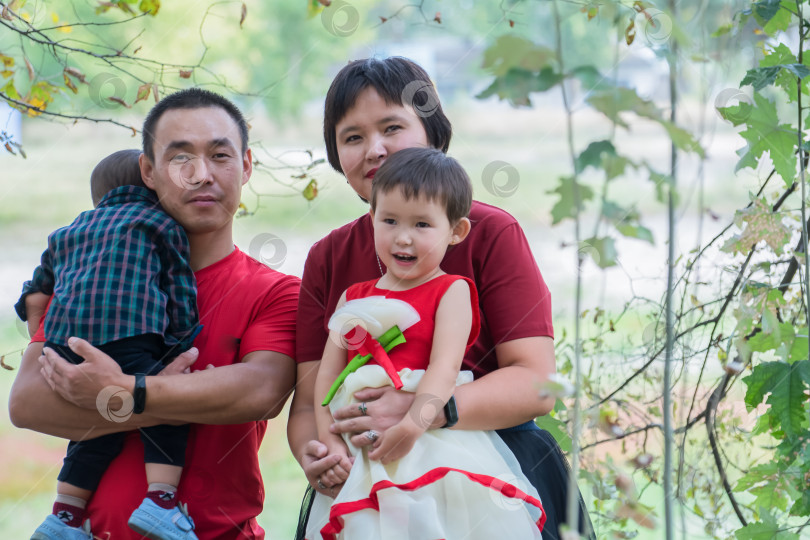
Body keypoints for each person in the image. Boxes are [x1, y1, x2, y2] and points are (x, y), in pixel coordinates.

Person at [288, 56, 594, 540]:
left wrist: (425, 411)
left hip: (491, 471)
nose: (375, 149)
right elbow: (309, 401)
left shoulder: (491, 232)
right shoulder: (327, 258)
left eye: (392, 127)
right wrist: (319, 452)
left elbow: (537, 382)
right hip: (361, 482)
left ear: (433, 133)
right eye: (352, 138)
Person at [9, 88, 300, 540]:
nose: (201, 175)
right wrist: (175, 398)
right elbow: (27, 403)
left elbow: (258, 392)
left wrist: (120, 392)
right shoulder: (90, 283)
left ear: (245, 166)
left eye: (220, 155)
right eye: (181, 157)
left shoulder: (276, 292)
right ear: (149, 171)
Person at [305, 147, 545, 539]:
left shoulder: (451, 292)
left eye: (422, 225)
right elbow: (327, 378)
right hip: (360, 450)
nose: (403, 238)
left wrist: (413, 425)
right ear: (372, 219)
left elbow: (445, 368)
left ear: (456, 231)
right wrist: (332, 444)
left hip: (431, 438)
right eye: (390, 220)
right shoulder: (352, 298)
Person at [15, 148, 201, 540]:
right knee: (169, 406)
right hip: (131, 338)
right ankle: (161, 502)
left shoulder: (69, 231)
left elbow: (37, 289)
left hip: (71, 344)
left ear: (98, 197)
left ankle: (64, 516)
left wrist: (36, 319)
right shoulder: (159, 223)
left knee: (95, 428)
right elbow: (179, 287)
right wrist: (180, 344)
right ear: (152, 184)